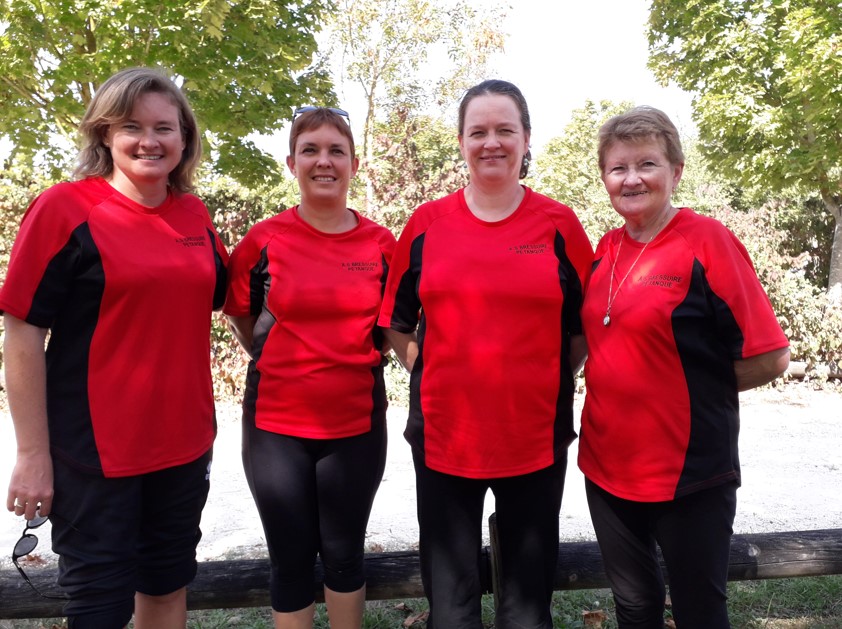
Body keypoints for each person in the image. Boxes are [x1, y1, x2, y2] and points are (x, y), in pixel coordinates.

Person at [1, 67, 227, 628]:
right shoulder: (64, 210)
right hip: (95, 453)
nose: (149, 140)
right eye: (131, 125)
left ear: (184, 139)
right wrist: (32, 455)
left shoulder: (194, 214)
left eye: (164, 127)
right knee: (100, 607)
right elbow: (23, 331)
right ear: (104, 134)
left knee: (167, 587)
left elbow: (234, 303)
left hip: (184, 445)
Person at [378, 80, 594, 628]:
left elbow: (585, 326)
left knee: (526, 612)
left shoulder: (559, 225)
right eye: (479, 131)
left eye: (505, 130)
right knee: (450, 612)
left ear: (526, 140)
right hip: (445, 441)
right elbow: (395, 324)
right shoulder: (427, 224)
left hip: (535, 439)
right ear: (461, 142)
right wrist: (439, 374)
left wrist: (539, 377)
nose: (491, 142)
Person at [577, 106, 790, 629]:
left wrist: (685, 387)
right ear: (605, 178)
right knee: (634, 607)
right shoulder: (606, 249)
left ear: (675, 171)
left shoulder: (706, 241)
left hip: (688, 471)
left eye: (646, 164)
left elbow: (771, 355)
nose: (631, 179)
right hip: (606, 466)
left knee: (699, 611)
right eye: (617, 168)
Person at [224, 106, 395, 629]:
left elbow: (392, 327)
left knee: (345, 553)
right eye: (311, 150)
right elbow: (240, 313)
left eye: (336, 151)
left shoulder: (382, 244)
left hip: (356, 425)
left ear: (354, 163)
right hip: (276, 426)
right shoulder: (263, 239)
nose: (324, 161)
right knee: (291, 558)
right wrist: (281, 359)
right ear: (291, 163)